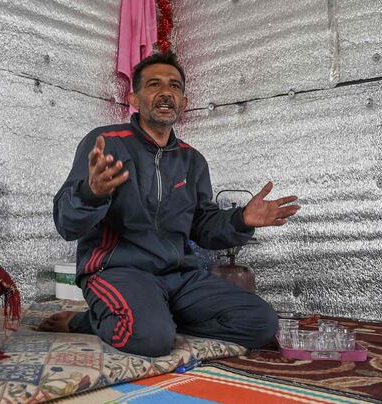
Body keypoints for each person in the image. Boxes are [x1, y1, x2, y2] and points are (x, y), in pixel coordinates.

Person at [39, 51, 300, 357]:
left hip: (180, 277)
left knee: (262, 323)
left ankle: (154, 315)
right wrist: (91, 192)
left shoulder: (192, 160)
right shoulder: (106, 143)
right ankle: (95, 320)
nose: (166, 92)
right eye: (153, 85)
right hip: (119, 271)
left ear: (184, 102)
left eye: (174, 86)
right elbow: (66, 224)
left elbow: (202, 226)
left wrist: (241, 219)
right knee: (153, 340)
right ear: (134, 99)